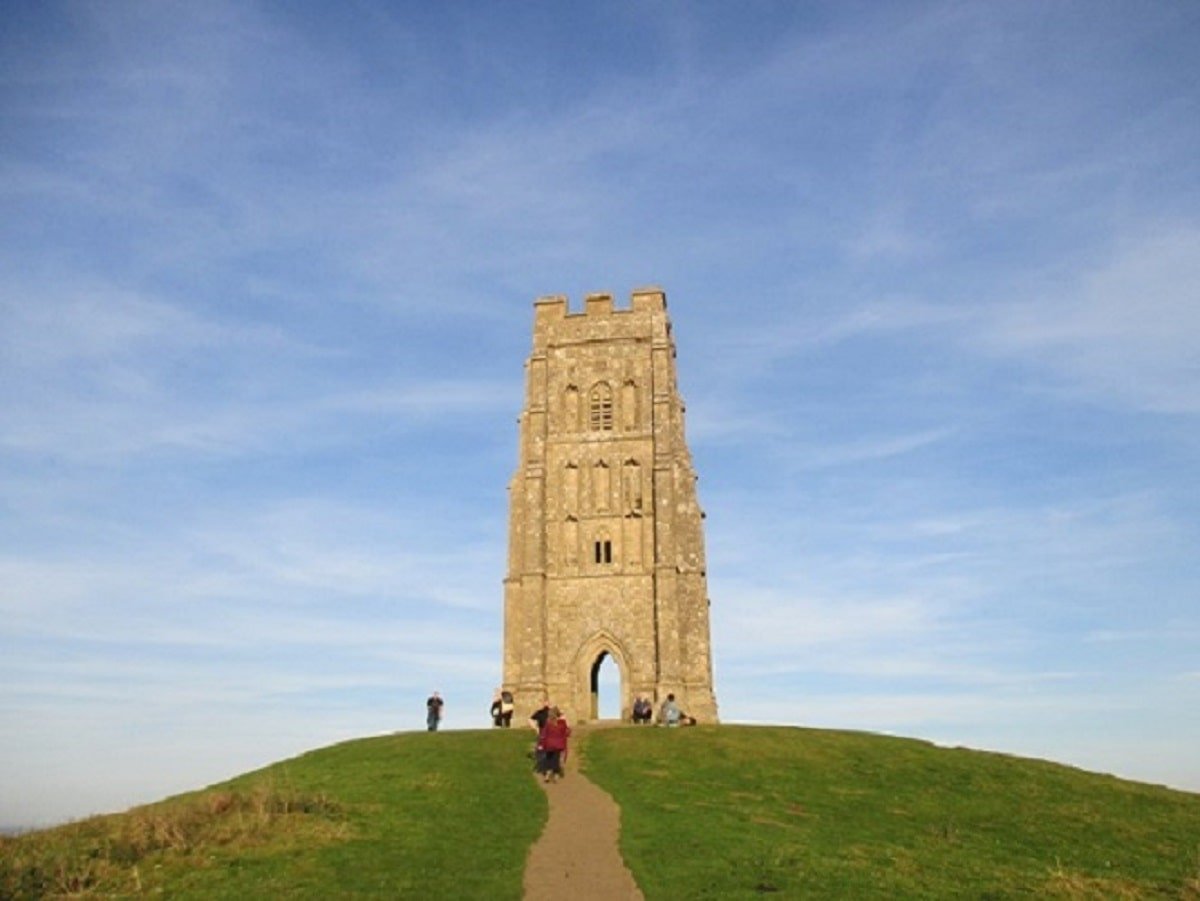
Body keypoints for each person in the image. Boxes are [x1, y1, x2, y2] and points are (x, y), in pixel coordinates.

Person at [537, 707, 571, 783]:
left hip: (549, 745)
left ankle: (547, 776)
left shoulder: (548, 723)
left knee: (549, 760)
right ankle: (555, 776)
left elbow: (543, 734)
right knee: (556, 760)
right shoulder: (562, 723)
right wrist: (565, 720)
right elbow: (567, 733)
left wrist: (541, 744)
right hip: (559, 745)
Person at [529, 699, 551, 771]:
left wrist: (535, 728)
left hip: (546, 733)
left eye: (547, 703)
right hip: (544, 732)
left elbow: (530, 719)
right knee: (542, 748)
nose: (546, 704)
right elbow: (530, 719)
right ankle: (544, 764)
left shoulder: (550, 712)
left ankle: (543, 764)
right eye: (546, 703)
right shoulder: (540, 712)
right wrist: (535, 728)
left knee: (542, 748)